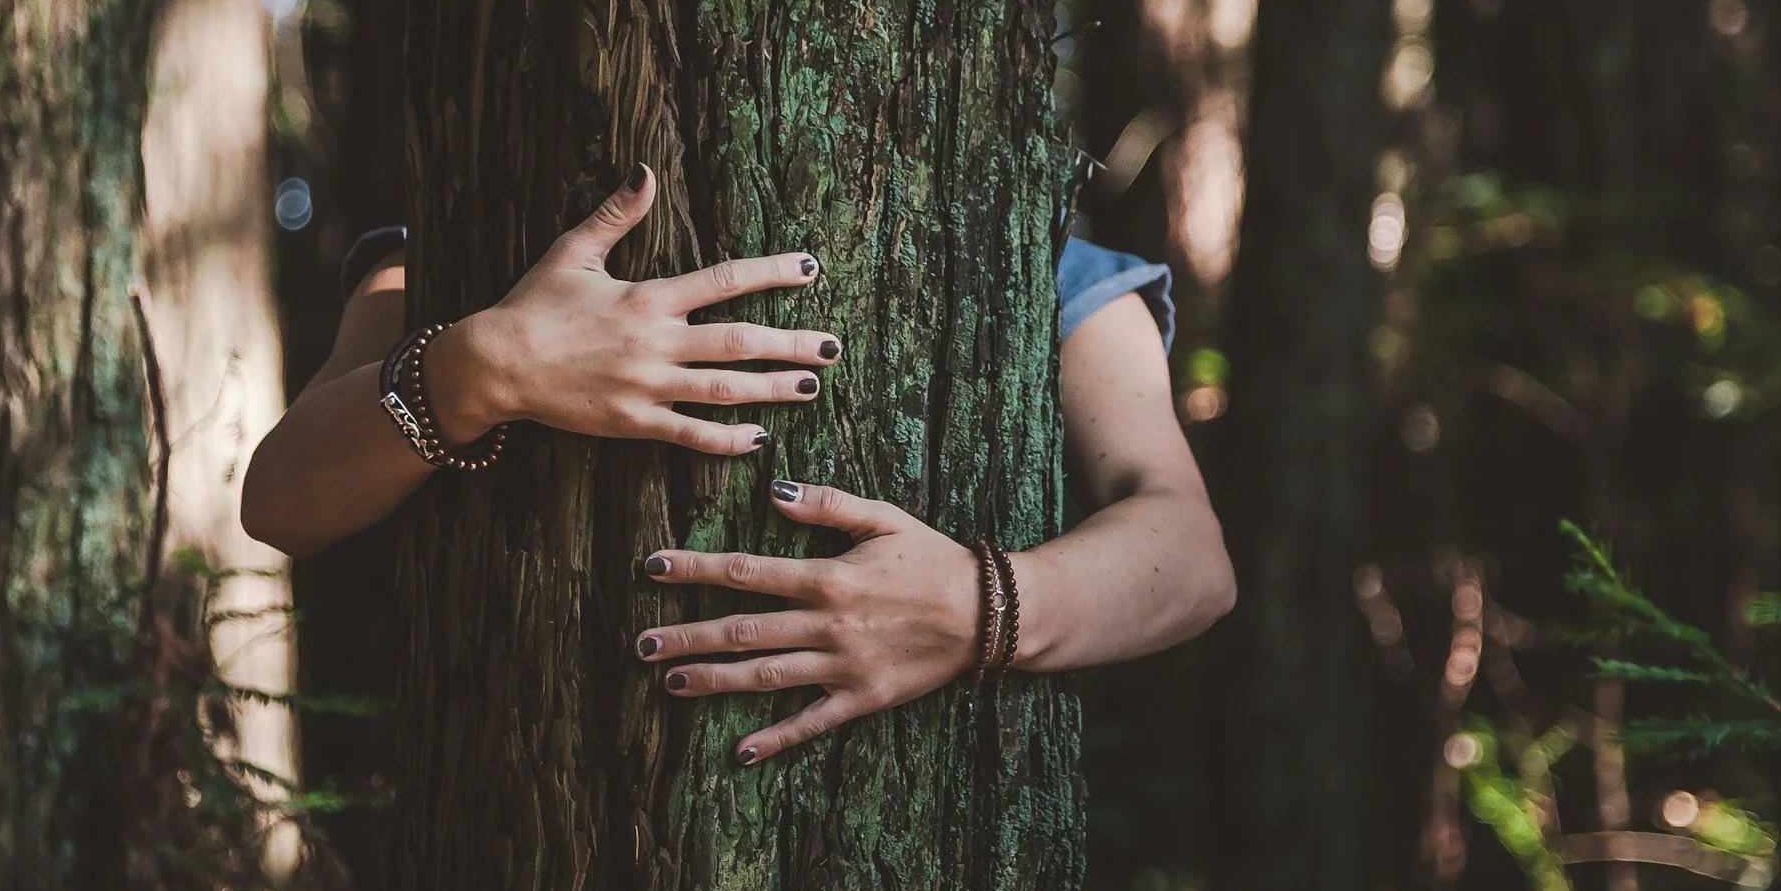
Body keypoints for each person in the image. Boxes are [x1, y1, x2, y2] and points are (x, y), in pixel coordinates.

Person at [243, 164, 1234, 764]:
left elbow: (1189, 554)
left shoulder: (1042, 268)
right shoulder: (458, 242)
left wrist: (980, 604)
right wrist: (486, 364)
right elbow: (283, 497)